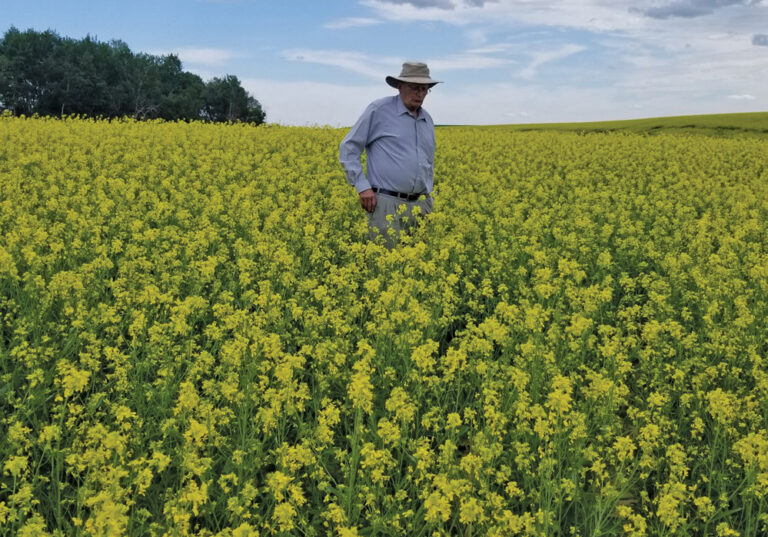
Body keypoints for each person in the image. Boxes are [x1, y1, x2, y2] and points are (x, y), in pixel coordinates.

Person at [339, 61, 441, 247]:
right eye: (414, 88)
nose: (419, 94)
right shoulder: (379, 110)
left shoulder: (427, 120)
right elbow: (348, 148)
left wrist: (428, 199)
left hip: (421, 206)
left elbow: (427, 162)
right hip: (387, 204)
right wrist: (362, 186)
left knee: (418, 266)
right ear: (400, 86)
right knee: (387, 264)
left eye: (424, 89)